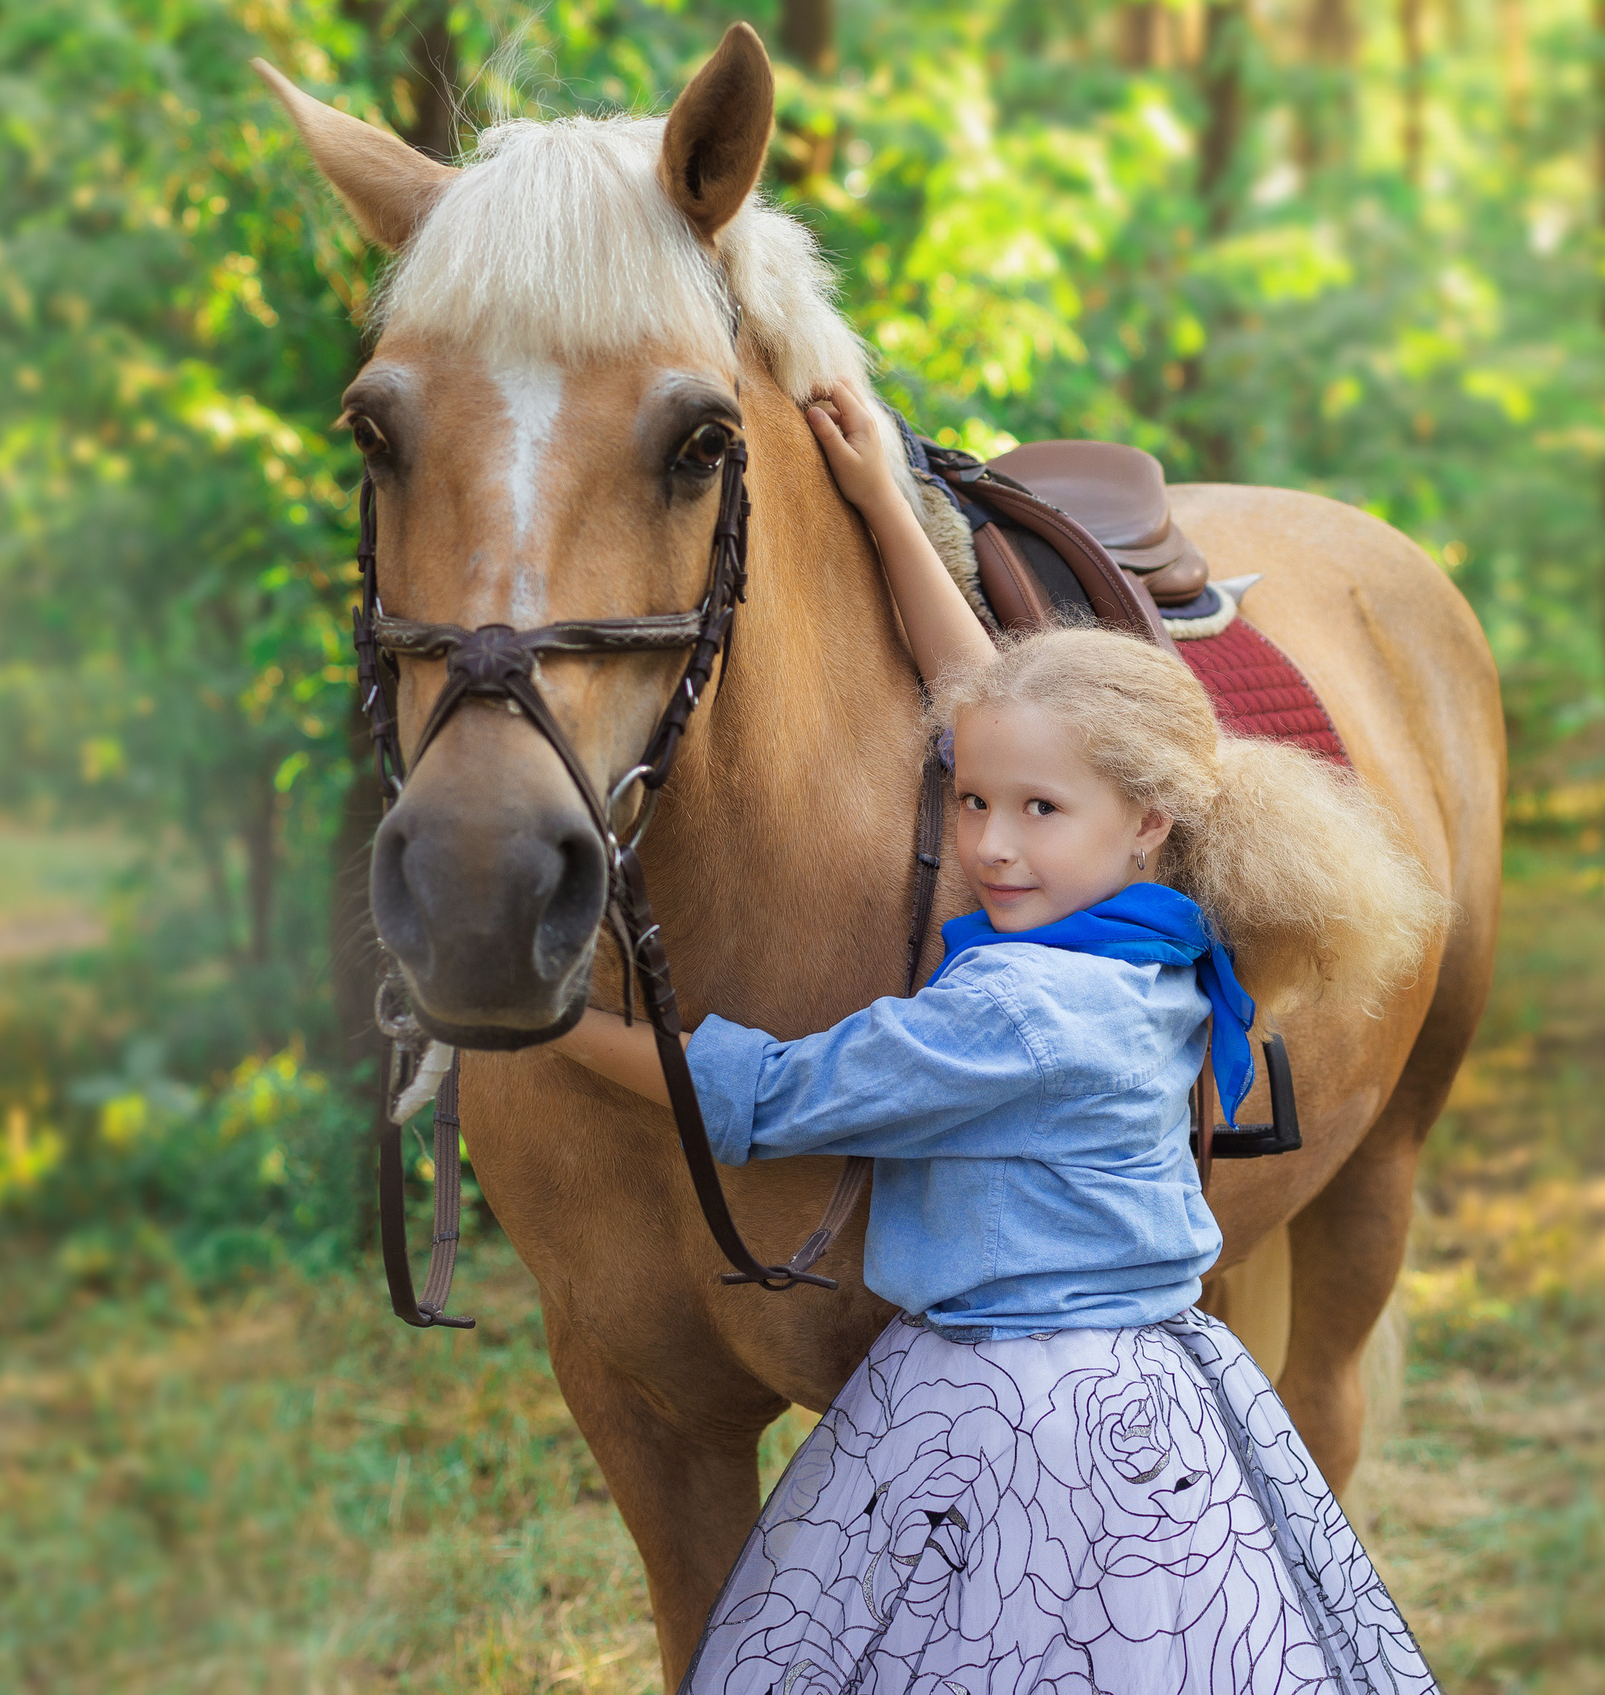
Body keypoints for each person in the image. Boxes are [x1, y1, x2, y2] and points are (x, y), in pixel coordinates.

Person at [557, 382, 1450, 1693]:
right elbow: (980, 695)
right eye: (970, 799)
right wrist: (880, 498)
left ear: (1144, 821)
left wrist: (558, 1023)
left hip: (1003, 1408)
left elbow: (763, 1094)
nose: (987, 842)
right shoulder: (1156, 937)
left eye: (1034, 810)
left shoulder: (1017, 1011)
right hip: (1166, 1391)